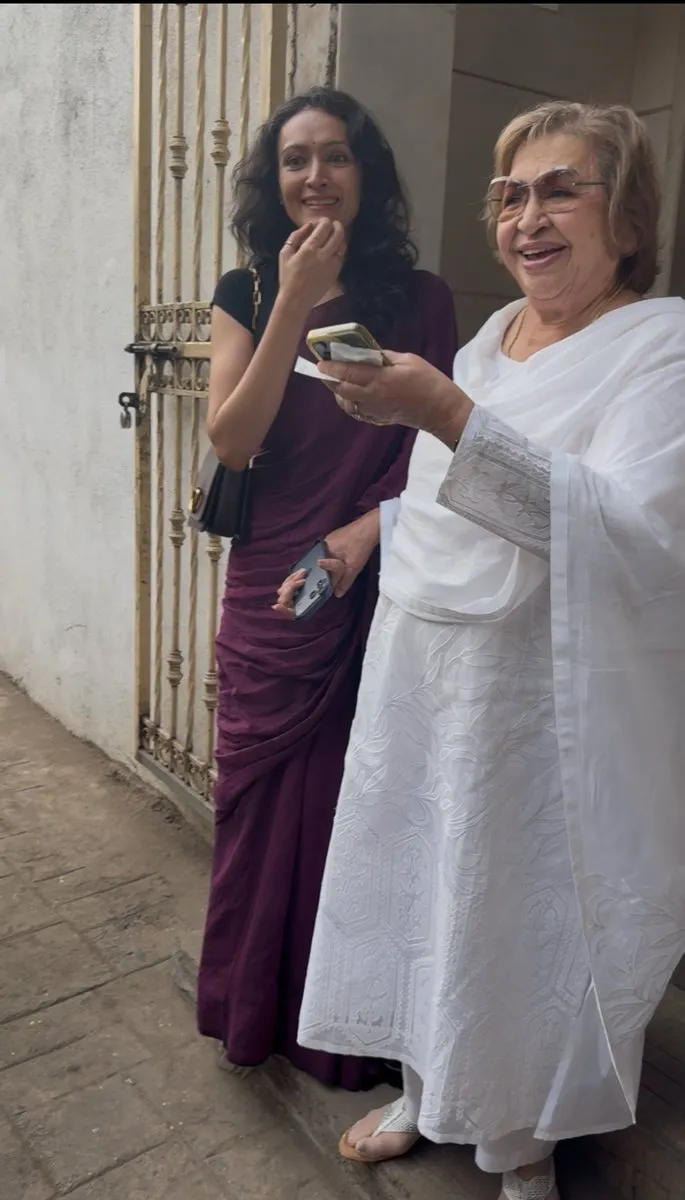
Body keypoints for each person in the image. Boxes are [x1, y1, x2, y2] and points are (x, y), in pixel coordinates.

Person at [293, 101, 685, 1198]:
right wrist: (382, 520)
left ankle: (517, 1138)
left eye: (561, 188)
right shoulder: (485, 341)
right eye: (510, 196)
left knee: (505, 905)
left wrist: (449, 414)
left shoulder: (661, 344)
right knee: (426, 880)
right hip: (426, 676)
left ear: (629, 212)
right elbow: (451, 501)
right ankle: (428, 1084)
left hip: (537, 704)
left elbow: (635, 532)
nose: (527, 218)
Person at [196, 86, 458, 1091]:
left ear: (367, 174)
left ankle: (346, 1029)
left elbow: (439, 451)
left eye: (336, 156)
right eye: (295, 159)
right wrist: (293, 306)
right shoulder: (246, 290)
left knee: (366, 806)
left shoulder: (420, 299)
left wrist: (366, 531)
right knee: (258, 806)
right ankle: (246, 1005)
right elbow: (231, 436)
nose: (315, 175)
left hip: (384, 580)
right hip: (274, 591)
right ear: (273, 180)